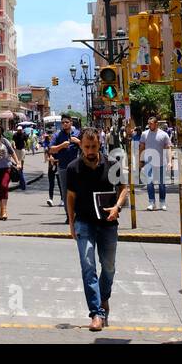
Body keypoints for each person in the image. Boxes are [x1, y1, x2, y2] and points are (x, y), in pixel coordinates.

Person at [66, 127, 127, 331]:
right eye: (86, 146)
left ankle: (104, 296)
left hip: (108, 224)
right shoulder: (73, 168)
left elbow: (124, 188)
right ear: (81, 146)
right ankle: (96, 313)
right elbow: (71, 197)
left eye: (93, 146)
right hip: (84, 222)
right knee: (88, 266)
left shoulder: (112, 164)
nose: (90, 150)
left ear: (99, 144)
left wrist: (117, 207)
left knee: (108, 267)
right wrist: (71, 223)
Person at [48, 114, 81, 215]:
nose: (65, 124)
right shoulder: (57, 135)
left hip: (77, 168)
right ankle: (69, 214)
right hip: (63, 167)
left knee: (78, 191)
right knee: (66, 192)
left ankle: (77, 213)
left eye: (66, 122)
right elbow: (51, 149)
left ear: (71, 122)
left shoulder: (78, 133)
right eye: (62, 122)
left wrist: (78, 142)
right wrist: (61, 146)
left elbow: (86, 147)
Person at [138, 116, 171, 211]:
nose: (149, 125)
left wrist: (169, 162)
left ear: (156, 124)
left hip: (161, 162)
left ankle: (162, 202)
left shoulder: (164, 134)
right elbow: (141, 148)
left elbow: (168, 148)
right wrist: (140, 160)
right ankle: (151, 202)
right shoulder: (144, 134)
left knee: (161, 184)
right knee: (149, 182)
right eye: (149, 123)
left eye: (151, 123)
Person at [0, 125, 21, 222]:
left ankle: (4, 210)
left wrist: (18, 162)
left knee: (4, 186)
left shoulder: (4, 141)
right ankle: (1, 210)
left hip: (6, 167)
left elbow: (12, 152)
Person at [13, 126, 29, 191]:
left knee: (21, 163)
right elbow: (13, 141)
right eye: (18, 130)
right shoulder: (15, 135)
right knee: (17, 163)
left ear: (22, 130)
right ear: (17, 130)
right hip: (17, 150)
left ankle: (21, 169)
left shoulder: (24, 135)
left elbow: (27, 141)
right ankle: (20, 176)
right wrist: (13, 145)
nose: (19, 131)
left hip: (22, 149)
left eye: (20, 130)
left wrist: (27, 146)